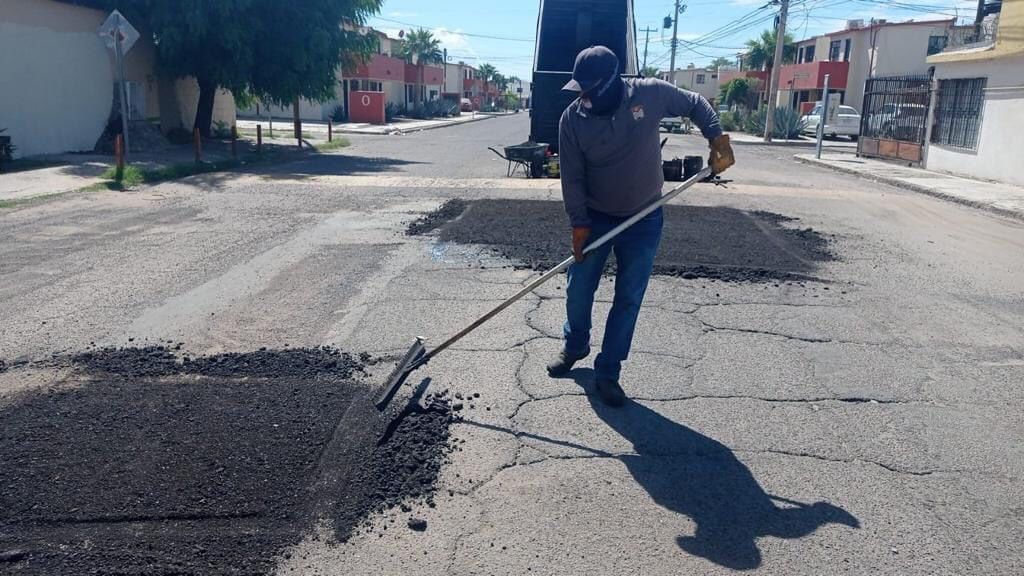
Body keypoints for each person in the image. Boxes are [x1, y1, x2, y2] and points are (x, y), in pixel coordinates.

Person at [548, 45, 735, 407]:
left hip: (645, 216)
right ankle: (576, 344)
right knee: (578, 288)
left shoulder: (649, 93)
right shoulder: (572, 120)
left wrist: (716, 137)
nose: (583, 98)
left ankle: (608, 371)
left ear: (610, 83)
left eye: (589, 91)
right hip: (596, 217)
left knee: (629, 296)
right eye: (580, 91)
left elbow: (696, 102)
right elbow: (572, 178)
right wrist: (579, 224)